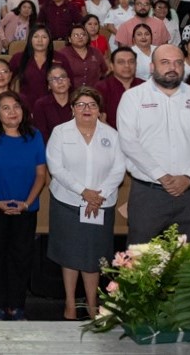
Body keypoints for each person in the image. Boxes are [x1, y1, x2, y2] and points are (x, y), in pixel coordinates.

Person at [117, 45, 190, 243]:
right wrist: (160, 175)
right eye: (165, 62)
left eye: (178, 62)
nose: (172, 67)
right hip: (148, 193)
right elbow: (129, 142)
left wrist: (189, 176)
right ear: (152, 66)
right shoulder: (133, 97)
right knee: (141, 263)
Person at [46, 86, 125, 320]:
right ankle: (70, 304)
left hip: (101, 204)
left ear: (99, 110)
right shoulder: (60, 133)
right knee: (69, 255)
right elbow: (55, 167)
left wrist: (98, 196)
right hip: (67, 202)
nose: (86, 109)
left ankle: (92, 305)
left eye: (91, 105)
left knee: (93, 256)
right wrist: (84, 192)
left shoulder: (112, 135)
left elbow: (119, 169)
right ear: (72, 109)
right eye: (80, 104)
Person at [0, 91, 46, 321]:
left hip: (26, 210)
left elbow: (40, 175)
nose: (12, 112)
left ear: (23, 110)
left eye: (16, 106)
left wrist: (27, 203)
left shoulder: (34, 136)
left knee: (21, 258)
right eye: (5, 108)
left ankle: (16, 306)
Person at [9, 24, 63, 108]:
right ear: (30, 39)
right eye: (36, 37)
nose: (40, 40)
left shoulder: (60, 58)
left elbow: (69, 84)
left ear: (49, 40)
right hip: (26, 108)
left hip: (54, 107)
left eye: (44, 37)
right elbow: (6, 81)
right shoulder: (18, 58)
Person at [95, 47, 143, 130]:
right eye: (121, 62)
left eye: (131, 62)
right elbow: (99, 119)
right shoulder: (101, 88)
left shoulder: (144, 86)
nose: (127, 66)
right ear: (112, 66)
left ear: (136, 65)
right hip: (111, 136)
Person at [31, 65, 73, 143]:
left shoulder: (77, 102)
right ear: (49, 86)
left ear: (68, 81)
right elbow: (42, 135)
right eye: (54, 79)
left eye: (62, 77)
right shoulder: (41, 105)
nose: (60, 81)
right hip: (51, 149)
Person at [59, 23, 109, 89]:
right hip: (71, 93)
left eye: (83, 35)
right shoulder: (62, 54)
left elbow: (104, 71)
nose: (80, 37)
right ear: (69, 39)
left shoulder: (96, 52)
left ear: (87, 37)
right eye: (76, 35)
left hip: (93, 93)